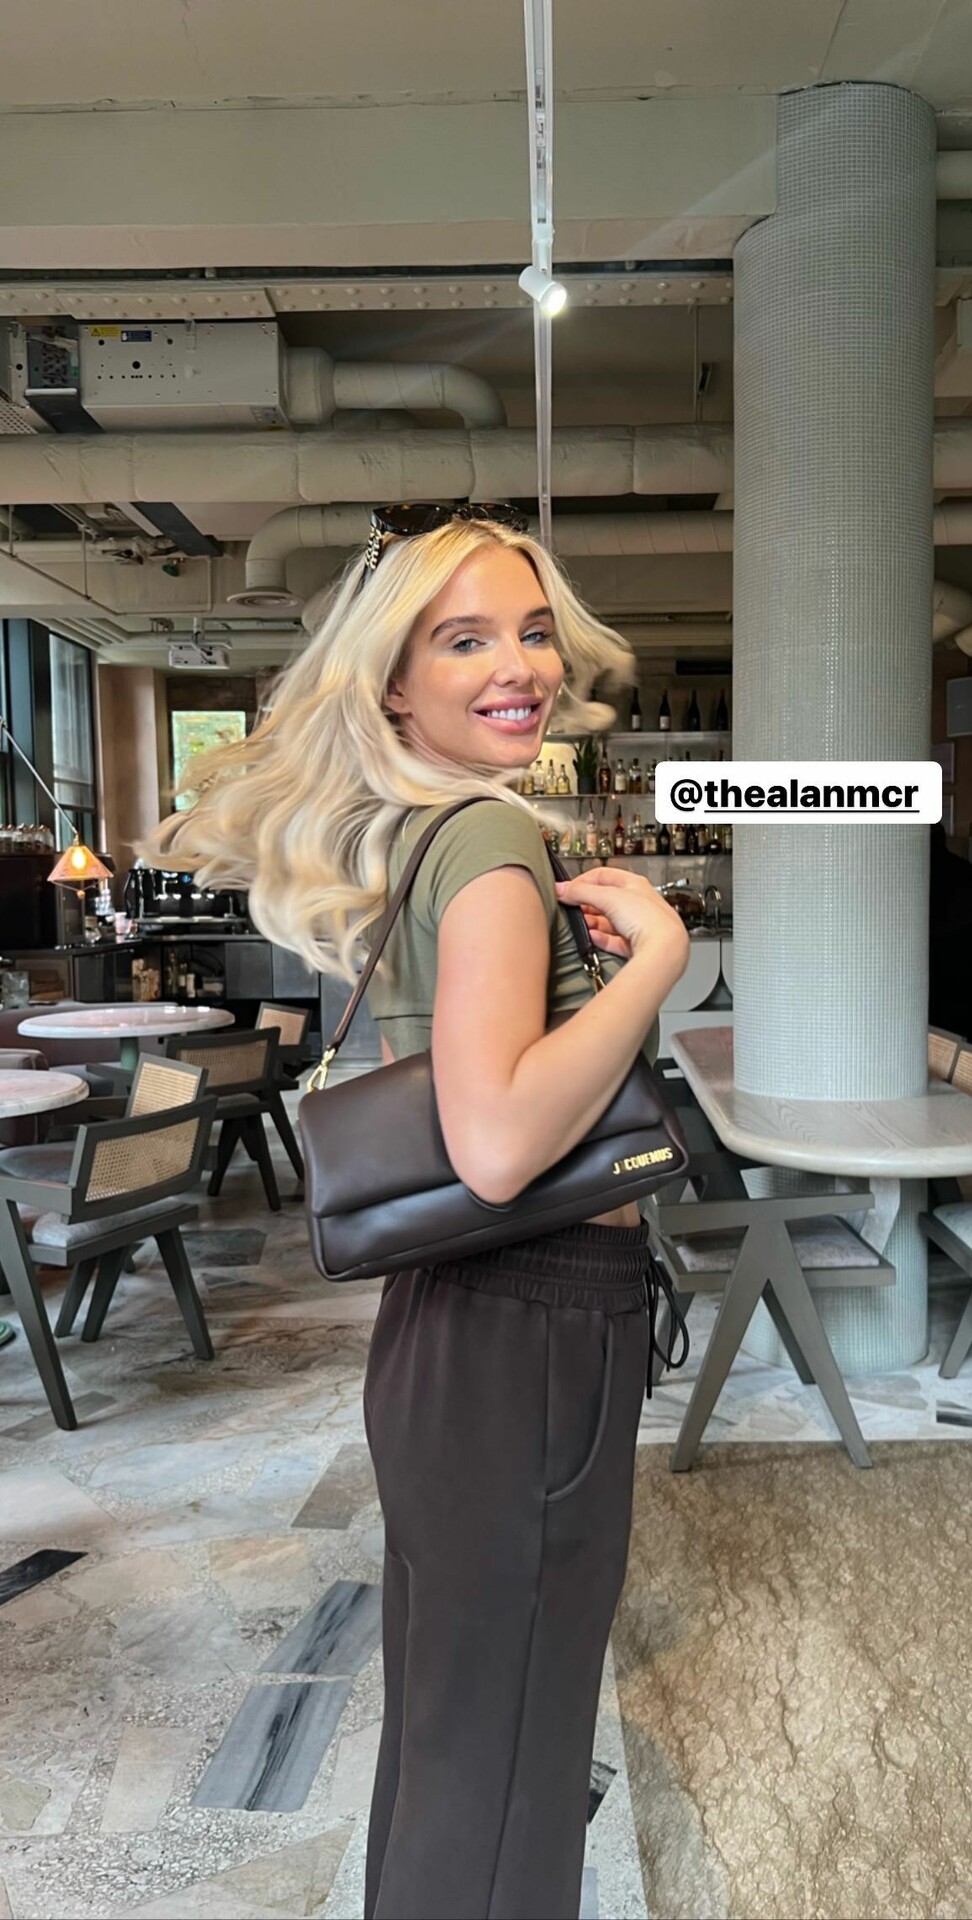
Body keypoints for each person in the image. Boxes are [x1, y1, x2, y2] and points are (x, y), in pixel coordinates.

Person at [144, 504, 690, 1920]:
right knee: (506, 1755)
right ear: (393, 682)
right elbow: (497, 1144)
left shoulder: (429, 830)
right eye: (465, 639)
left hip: (460, 1324)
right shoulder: (492, 837)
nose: (519, 665)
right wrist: (657, 963)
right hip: (531, 1333)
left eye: (532, 632)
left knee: (460, 1736)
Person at [928, 819, 972, 1041]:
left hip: (929, 954)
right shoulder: (966, 870)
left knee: (932, 1021)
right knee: (958, 1022)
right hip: (961, 955)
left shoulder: (917, 874)